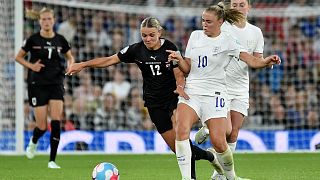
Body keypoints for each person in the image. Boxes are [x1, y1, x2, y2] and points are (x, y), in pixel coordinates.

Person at [66, 17, 221, 179]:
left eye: (151, 35)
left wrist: (180, 87)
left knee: (181, 136)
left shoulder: (169, 48)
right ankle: (210, 156)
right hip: (153, 103)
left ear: (159, 32)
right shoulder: (136, 50)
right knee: (179, 148)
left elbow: (179, 73)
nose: (147, 39)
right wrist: (83, 64)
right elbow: (110, 60)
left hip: (174, 98)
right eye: (144, 35)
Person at [166, 2, 280, 179]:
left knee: (220, 141)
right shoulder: (195, 36)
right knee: (181, 130)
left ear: (221, 22)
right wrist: (179, 59)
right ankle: (186, 178)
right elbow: (187, 68)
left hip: (216, 94)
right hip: (193, 92)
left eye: (209, 21)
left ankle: (230, 177)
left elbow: (251, 60)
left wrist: (266, 61)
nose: (204, 24)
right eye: (203, 20)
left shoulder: (229, 41)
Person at [195, 0, 269, 173]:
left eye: (241, 4)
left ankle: (219, 175)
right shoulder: (224, 27)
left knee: (233, 133)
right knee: (225, 130)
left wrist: (267, 62)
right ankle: (209, 128)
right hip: (221, 84)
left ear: (249, 7)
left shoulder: (256, 32)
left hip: (241, 87)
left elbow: (257, 58)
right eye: (234, 5)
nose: (238, 8)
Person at [15, 7, 75, 169]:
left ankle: (52, 161)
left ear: (54, 21)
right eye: (43, 19)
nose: (46, 22)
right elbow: (18, 57)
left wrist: (71, 66)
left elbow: (70, 57)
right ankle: (33, 142)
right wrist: (31, 66)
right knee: (41, 126)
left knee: (56, 121)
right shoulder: (33, 40)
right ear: (39, 21)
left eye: (49, 19)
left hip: (56, 83)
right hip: (37, 84)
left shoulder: (61, 40)